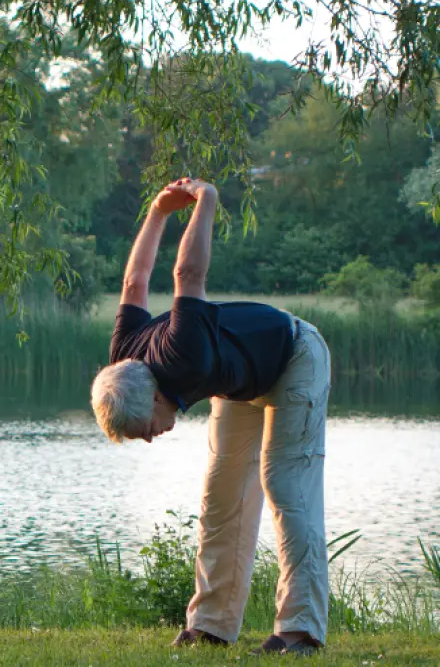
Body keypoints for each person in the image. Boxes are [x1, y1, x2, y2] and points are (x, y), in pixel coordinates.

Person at [90, 178, 330, 656]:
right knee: (221, 497)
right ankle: (211, 626)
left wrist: (206, 201)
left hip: (295, 356)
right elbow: (134, 282)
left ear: (153, 397)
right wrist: (157, 212)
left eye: (145, 430)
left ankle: (300, 632)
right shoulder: (124, 359)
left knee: (285, 486)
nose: (152, 439)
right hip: (240, 380)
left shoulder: (183, 353)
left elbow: (188, 273)